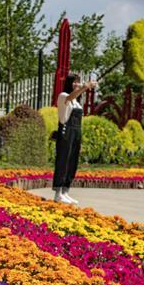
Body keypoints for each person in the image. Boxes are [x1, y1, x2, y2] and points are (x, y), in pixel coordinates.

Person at [52, 73, 96, 204]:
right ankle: (58, 193)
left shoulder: (77, 102)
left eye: (78, 82)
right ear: (69, 83)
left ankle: (66, 192)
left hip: (76, 133)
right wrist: (85, 86)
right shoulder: (63, 96)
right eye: (74, 82)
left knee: (72, 162)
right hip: (66, 131)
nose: (76, 84)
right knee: (63, 161)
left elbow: (75, 98)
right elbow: (71, 97)